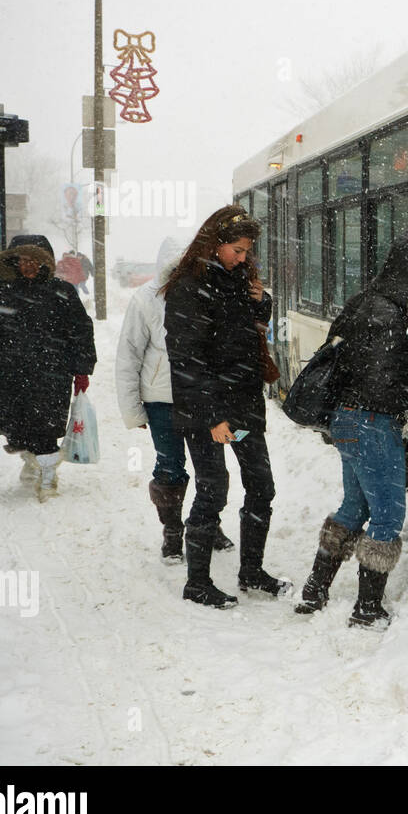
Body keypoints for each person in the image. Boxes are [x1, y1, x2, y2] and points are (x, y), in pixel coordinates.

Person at [294, 228, 408, 627]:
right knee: (387, 514)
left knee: (355, 506)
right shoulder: (390, 316)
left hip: (348, 420)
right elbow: (383, 382)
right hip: (371, 422)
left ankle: (314, 591)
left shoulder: (366, 302)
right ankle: (367, 608)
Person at [162, 205, 284, 609]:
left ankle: (252, 570)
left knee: (261, 484)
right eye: (237, 249)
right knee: (213, 489)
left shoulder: (238, 281)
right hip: (208, 413)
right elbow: (187, 359)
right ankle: (197, 582)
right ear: (214, 244)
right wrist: (213, 416)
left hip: (244, 407)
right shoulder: (188, 287)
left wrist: (260, 304)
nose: (243, 257)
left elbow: (248, 338)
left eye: (247, 251)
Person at [0, 234, 96, 501]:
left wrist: (81, 369)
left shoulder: (62, 293)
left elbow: (81, 332)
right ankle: (32, 458)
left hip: (50, 374)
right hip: (6, 373)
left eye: (35, 260)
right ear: (13, 261)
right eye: (23, 260)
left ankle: (47, 479)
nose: (29, 266)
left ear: (45, 262)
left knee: (45, 428)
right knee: (15, 429)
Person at [116, 237, 234, 563]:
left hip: (201, 398)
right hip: (161, 400)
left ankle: (207, 523)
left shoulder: (209, 295)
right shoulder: (146, 299)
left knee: (209, 467)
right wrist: (133, 409)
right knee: (170, 465)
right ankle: (172, 531)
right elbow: (129, 356)